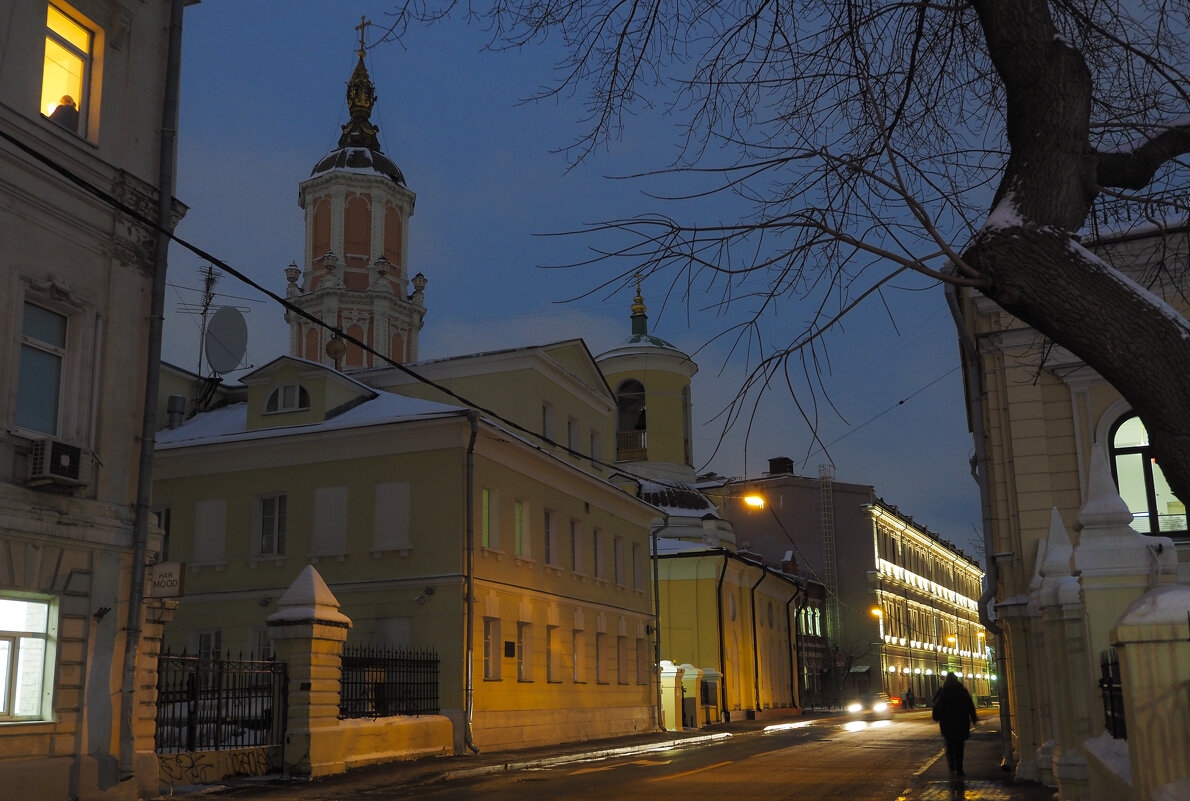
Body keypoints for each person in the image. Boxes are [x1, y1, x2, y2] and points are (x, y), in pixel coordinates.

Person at [931, 672, 978, 775]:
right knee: (959, 746)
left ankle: (951, 764)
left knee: (949, 745)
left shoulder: (943, 692)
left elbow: (935, 704)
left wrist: (936, 716)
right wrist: (974, 719)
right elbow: (970, 706)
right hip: (961, 723)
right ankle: (959, 768)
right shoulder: (962, 691)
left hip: (947, 724)